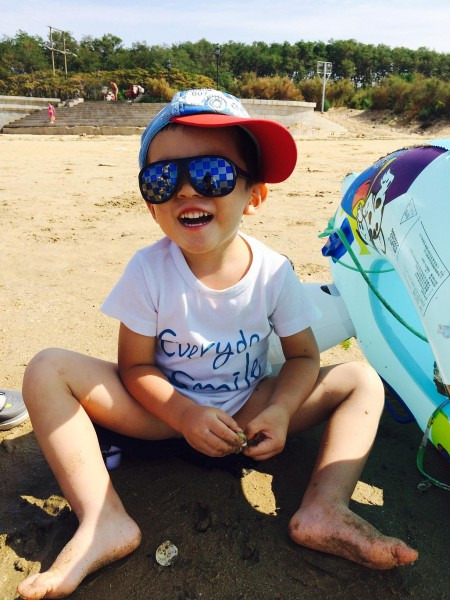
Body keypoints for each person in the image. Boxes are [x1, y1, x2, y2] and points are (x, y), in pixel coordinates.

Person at [17, 89, 418, 600]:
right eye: (163, 179)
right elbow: (135, 368)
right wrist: (184, 414)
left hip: (246, 411)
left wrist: (279, 411)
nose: (187, 189)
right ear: (151, 205)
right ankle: (102, 519)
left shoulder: (273, 272)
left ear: (254, 196)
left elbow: (302, 357)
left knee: (360, 379)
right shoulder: (148, 270)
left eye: (213, 174)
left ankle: (325, 506)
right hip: (161, 414)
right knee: (47, 368)